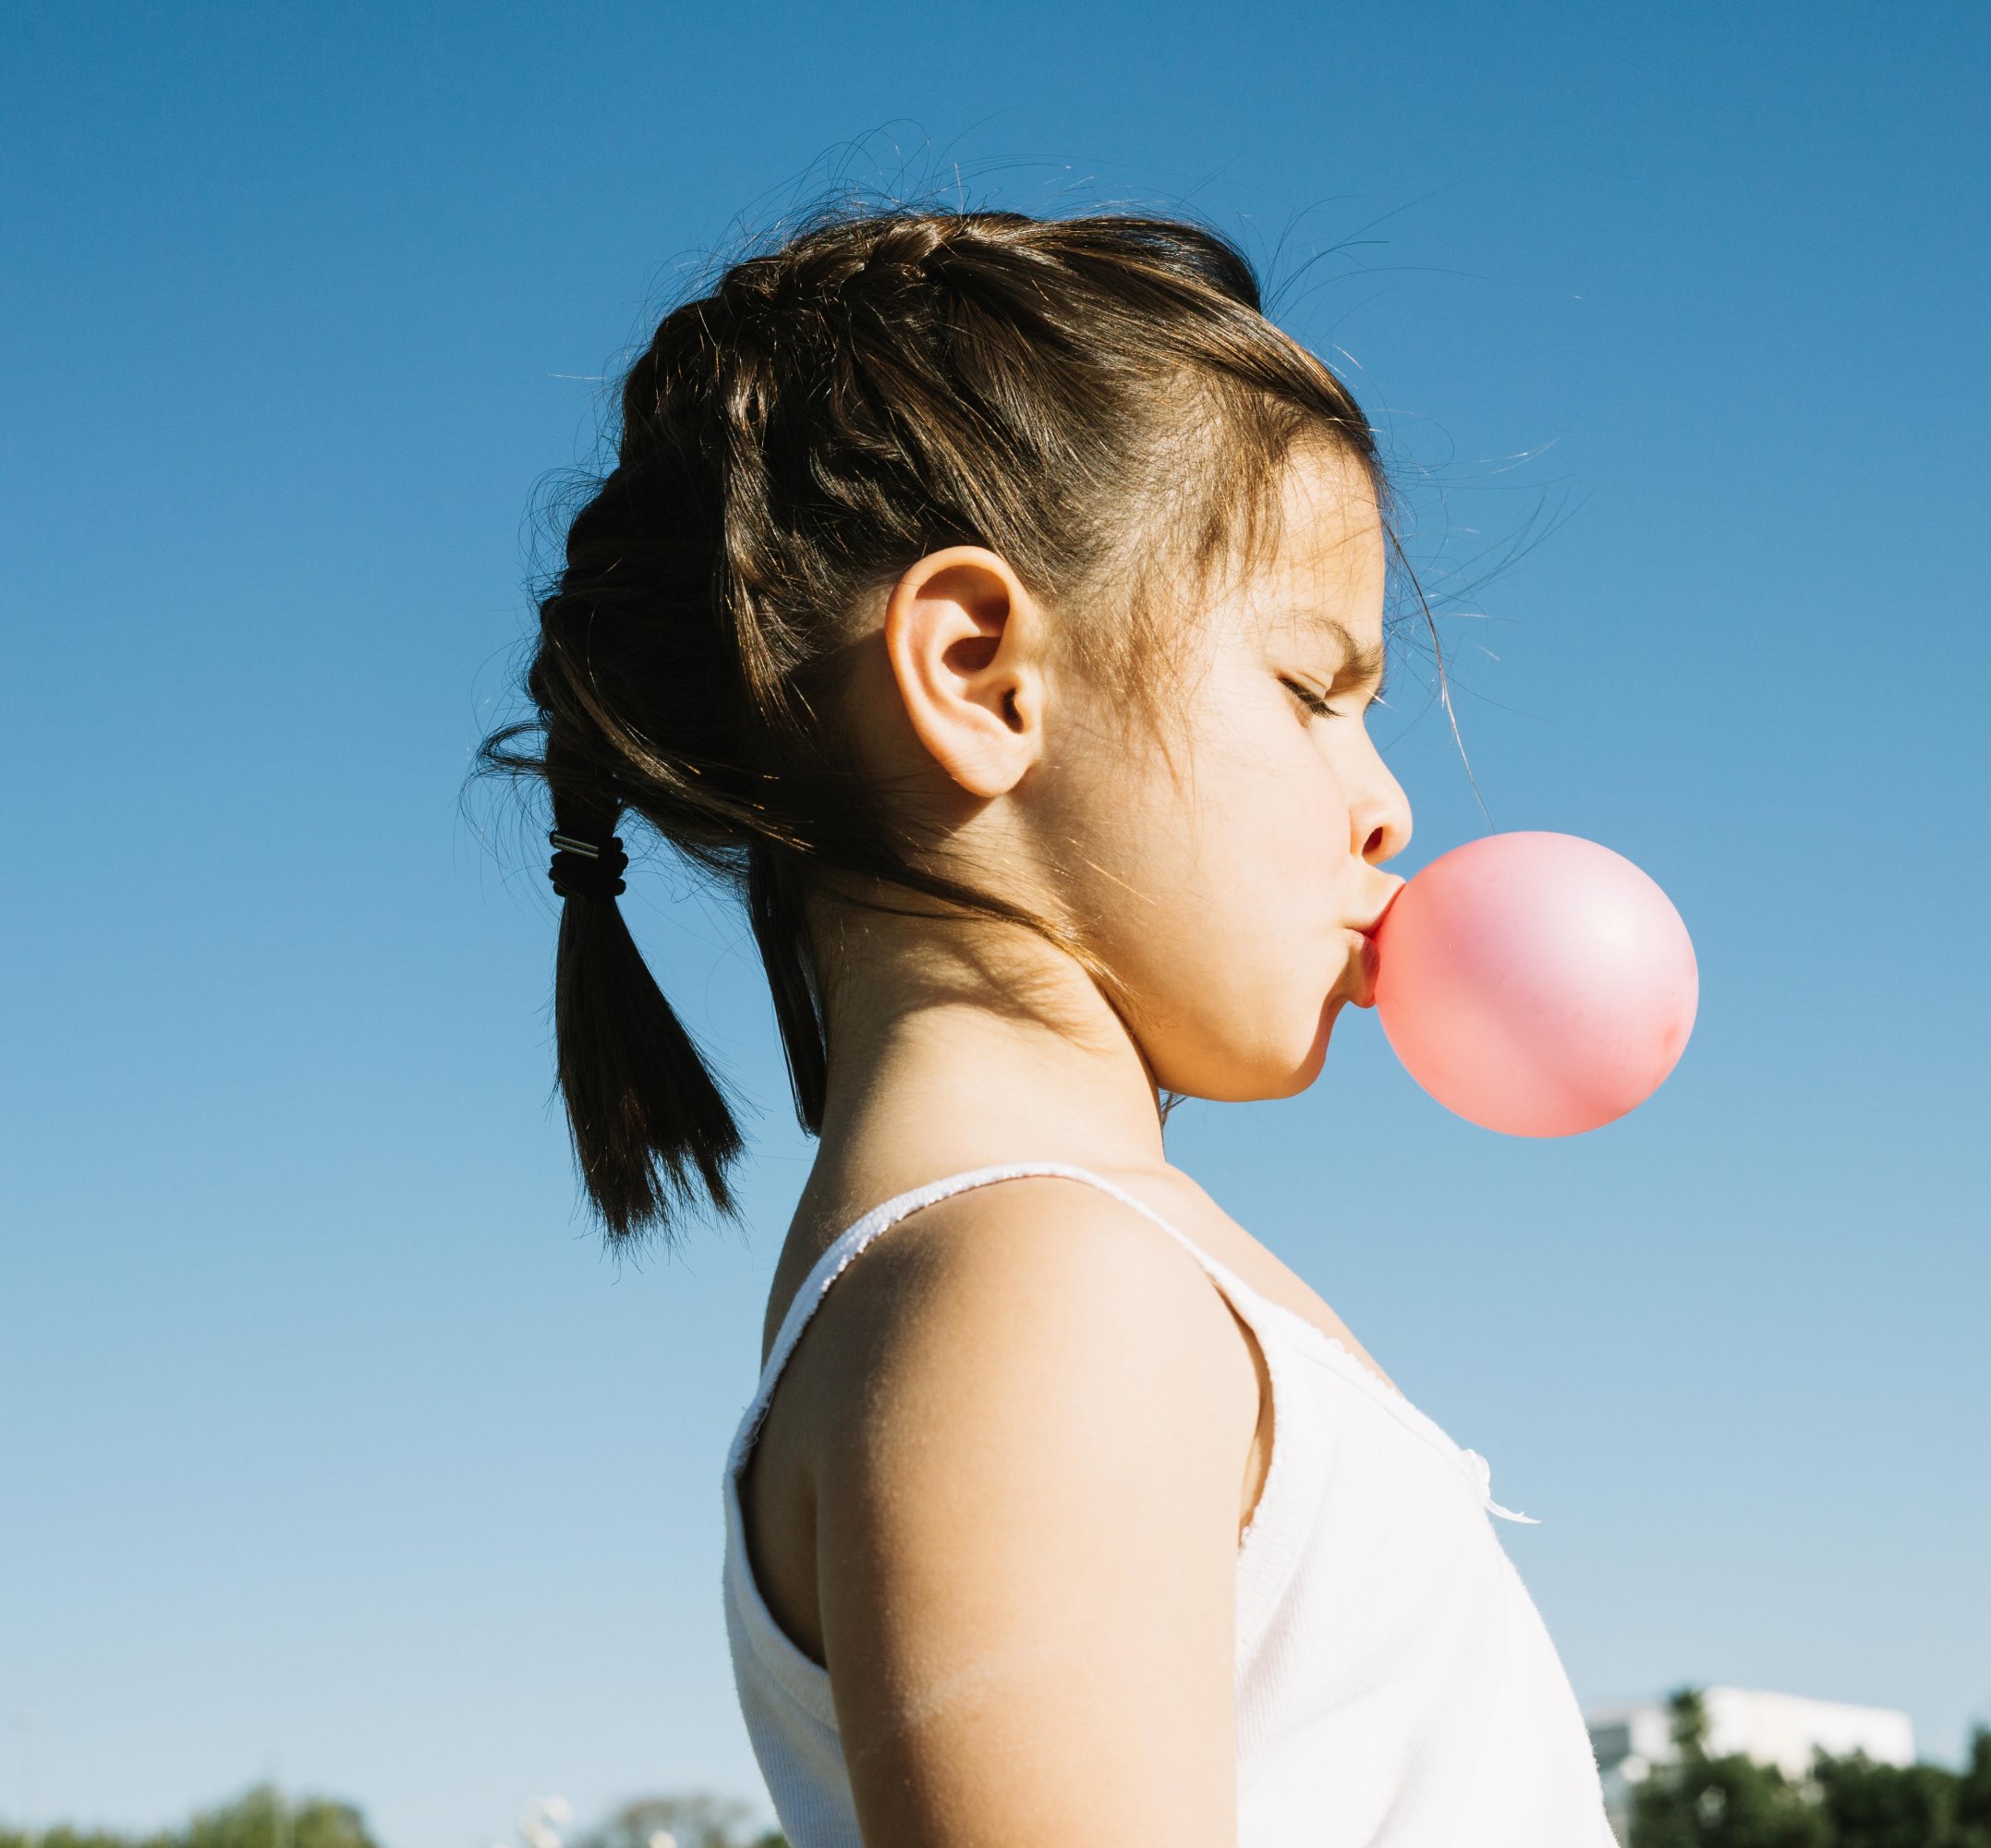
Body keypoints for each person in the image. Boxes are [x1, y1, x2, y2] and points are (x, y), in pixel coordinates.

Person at [482, 206, 1618, 1847]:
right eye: (1312, 691)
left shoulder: (1047, 1277)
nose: (1386, 806)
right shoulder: (1039, 1296)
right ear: (980, 675)